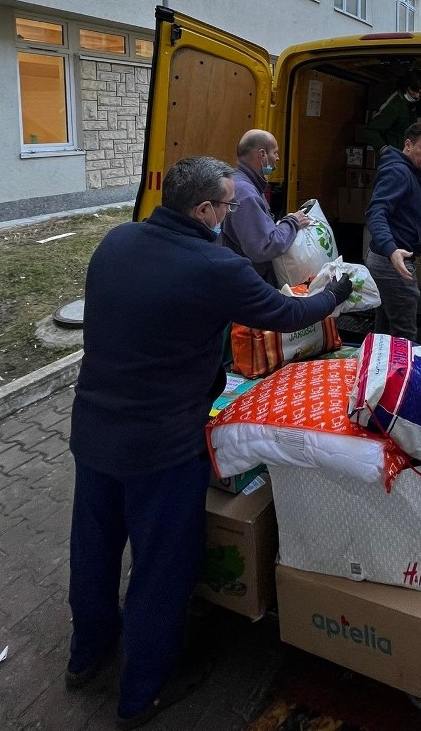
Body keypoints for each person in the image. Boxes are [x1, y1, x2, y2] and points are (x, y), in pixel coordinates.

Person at [67, 156, 354, 730]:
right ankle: (143, 689)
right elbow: (283, 312)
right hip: (162, 445)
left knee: (94, 548)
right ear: (202, 210)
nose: (229, 215)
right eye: (226, 206)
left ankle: (87, 653)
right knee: (161, 565)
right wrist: (334, 294)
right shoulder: (213, 265)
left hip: (94, 430)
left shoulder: (116, 242)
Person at [365, 122, 421, 342]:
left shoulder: (413, 172)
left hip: (391, 260)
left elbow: (420, 208)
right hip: (392, 263)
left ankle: (380, 372)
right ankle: (402, 374)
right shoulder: (397, 172)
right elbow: (376, 212)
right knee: (404, 334)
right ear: (408, 144)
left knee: (387, 331)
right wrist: (391, 249)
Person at [220, 129, 312, 285]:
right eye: (275, 153)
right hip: (246, 280)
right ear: (262, 155)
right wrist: (292, 222)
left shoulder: (241, 182)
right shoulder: (246, 193)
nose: (277, 158)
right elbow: (263, 247)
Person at [360, 70, 421, 158]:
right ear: (406, 87)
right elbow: (370, 131)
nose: (417, 96)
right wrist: (385, 150)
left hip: (405, 156)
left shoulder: (412, 102)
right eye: (413, 91)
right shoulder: (394, 105)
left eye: (420, 92)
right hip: (392, 159)